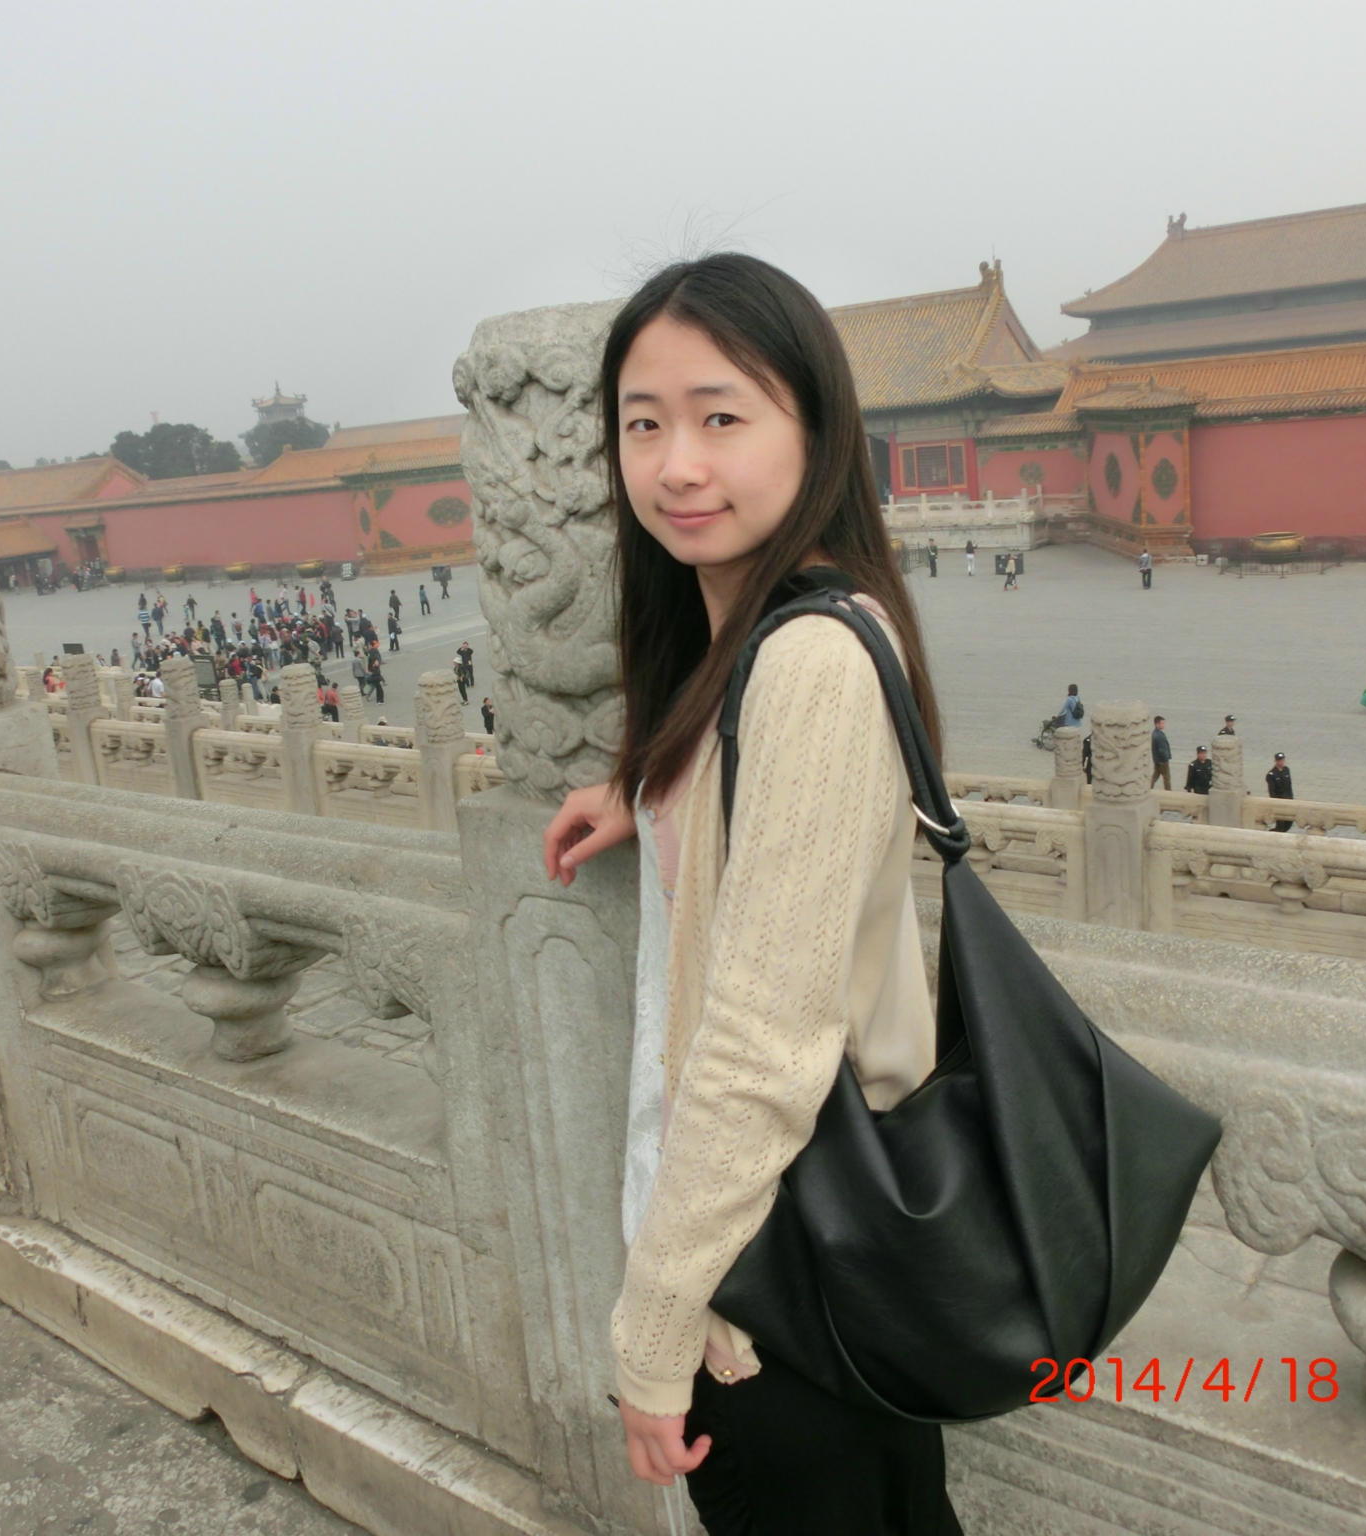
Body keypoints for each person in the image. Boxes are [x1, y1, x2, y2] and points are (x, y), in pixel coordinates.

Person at [539, 254, 961, 1535]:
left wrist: (654, 1328)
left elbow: (764, 1047)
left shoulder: (810, 665)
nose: (676, 466)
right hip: (804, 1259)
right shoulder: (755, 644)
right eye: (642, 424)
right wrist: (653, 787)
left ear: (815, 430)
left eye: (720, 417)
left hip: (775, 1288)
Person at [1266, 752, 1295, 832]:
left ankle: (1274, 833)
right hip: (1279, 802)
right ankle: (1272, 834)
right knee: (1281, 824)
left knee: (1289, 821)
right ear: (1276, 761)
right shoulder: (1271, 774)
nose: (1282, 762)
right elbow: (1272, 791)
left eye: (1283, 760)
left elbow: (1289, 786)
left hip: (1288, 800)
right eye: (1280, 760)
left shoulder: (1286, 770)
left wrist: (1291, 799)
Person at [1150, 715, 1171, 790]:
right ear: (1157, 724)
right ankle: (1168, 791)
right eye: (1162, 723)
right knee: (1166, 777)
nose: (1164, 724)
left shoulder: (1157, 733)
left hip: (1157, 760)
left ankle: (1148, 787)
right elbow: (1162, 749)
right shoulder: (1158, 735)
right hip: (1161, 760)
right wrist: (1166, 758)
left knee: (1155, 775)